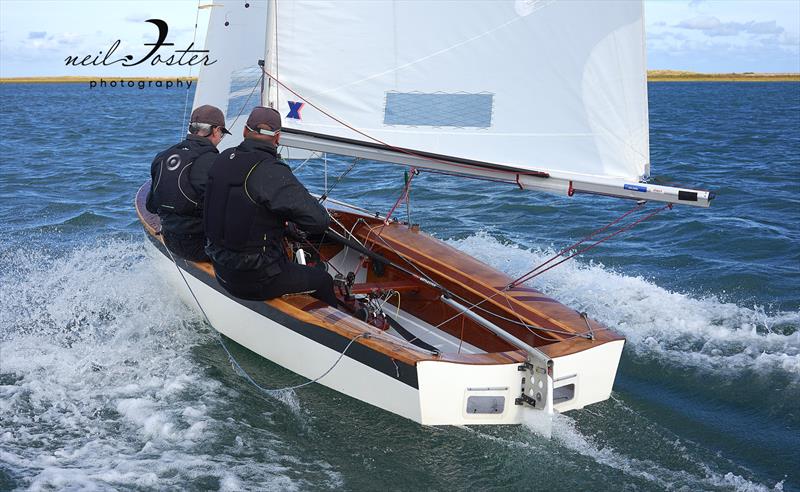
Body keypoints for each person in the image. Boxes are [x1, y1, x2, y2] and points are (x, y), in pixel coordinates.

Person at [203, 106, 337, 306]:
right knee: (324, 280)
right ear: (277, 138)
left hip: (220, 269)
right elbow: (319, 222)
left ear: (245, 131)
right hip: (257, 280)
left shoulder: (222, 158)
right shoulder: (271, 170)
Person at [146, 104, 231, 261]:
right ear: (216, 130)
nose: (221, 138)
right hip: (202, 247)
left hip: (170, 240)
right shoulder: (218, 163)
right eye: (222, 134)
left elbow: (150, 206)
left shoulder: (162, 156)